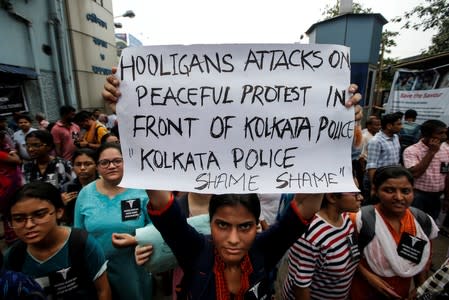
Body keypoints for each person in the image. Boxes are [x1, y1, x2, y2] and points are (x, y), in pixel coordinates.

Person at [4, 182, 111, 299]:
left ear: (59, 211)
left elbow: (103, 291)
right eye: (19, 219)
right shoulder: (13, 257)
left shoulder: (82, 243)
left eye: (39, 215)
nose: (29, 225)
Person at [74, 143, 153, 299]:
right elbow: (78, 232)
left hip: (133, 268)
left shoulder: (141, 190)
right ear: (97, 167)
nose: (111, 166)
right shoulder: (85, 193)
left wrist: (137, 239)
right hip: (96, 269)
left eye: (117, 161)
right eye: (104, 162)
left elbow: (155, 225)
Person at [350, 165, 439, 300]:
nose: (398, 197)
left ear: (413, 192)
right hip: (362, 293)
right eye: (389, 190)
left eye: (405, 191)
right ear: (375, 190)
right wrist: (368, 276)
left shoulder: (422, 222)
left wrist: (420, 289)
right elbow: (347, 258)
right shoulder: (358, 219)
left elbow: (423, 263)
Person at [403, 119, 449, 220]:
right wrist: (431, 152)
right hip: (418, 196)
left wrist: (447, 198)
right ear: (427, 135)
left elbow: (447, 175)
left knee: (430, 225)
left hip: (437, 197)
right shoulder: (412, 151)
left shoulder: (446, 149)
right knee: (414, 224)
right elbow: (415, 173)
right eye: (440, 133)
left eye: (445, 133)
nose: (444, 137)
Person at [365, 113, 402, 201]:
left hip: (391, 180)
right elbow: (371, 166)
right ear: (389, 126)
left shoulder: (396, 137)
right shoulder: (376, 141)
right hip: (378, 181)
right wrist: (374, 187)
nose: (402, 126)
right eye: (399, 124)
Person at [61, 148, 98, 226]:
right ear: (73, 167)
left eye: (87, 164)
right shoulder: (67, 187)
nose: (82, 168)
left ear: (96, 166)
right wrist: (61, 205)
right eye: (78, 164)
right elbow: (64, 218)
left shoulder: (104, 185)